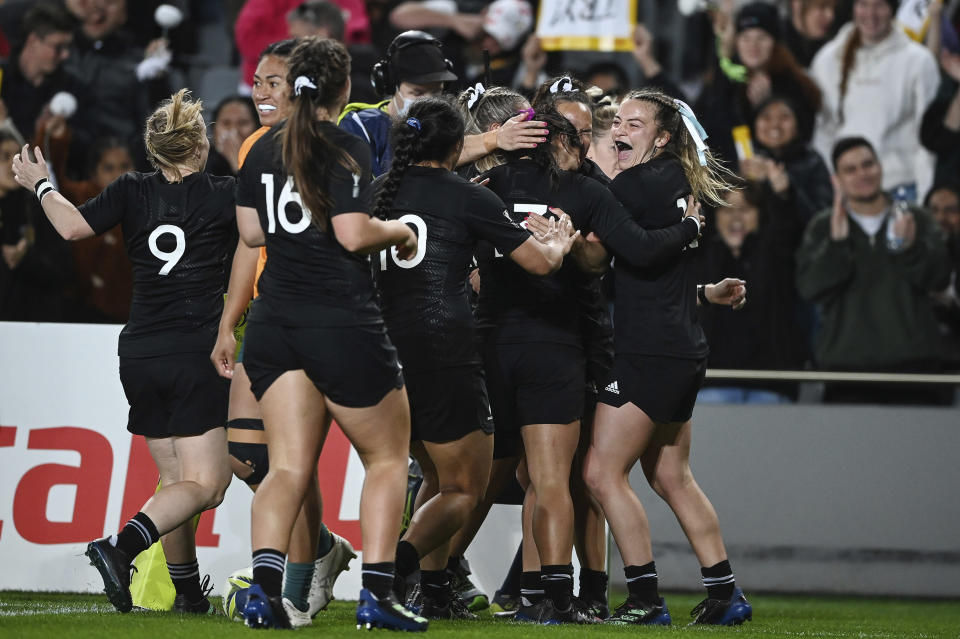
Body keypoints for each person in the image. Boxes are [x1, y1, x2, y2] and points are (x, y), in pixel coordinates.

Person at [476, 105, 705, 625]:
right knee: (570, 476)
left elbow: (619, 258)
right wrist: (688, 227)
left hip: (541, 343)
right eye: (582, 134)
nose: (592, 142)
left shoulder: (496, 185)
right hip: (568, 343)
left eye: (599, 131)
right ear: (552, 137)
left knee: (569, 476)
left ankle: (571, 592)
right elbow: (634, 253)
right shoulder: (598, 190)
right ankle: (558, 594)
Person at [12, 89, 235, 614]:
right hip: (193, 349)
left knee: (177, 483)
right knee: (209, 482)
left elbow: (69, 226)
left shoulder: (131, 189)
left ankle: (185, 594)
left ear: (153, 152)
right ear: (200, 147)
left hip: (138, 351)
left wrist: (42, 183)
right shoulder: (227, 193)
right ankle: (120, 548)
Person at [232, 36, 426, 631]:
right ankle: (375, 597)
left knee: (287, 467)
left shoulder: (263, 148)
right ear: (345, 88)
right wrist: (399, 231)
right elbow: (350, 234)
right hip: (339, 321)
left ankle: (265, 593)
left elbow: (251, 234)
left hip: (274, 324)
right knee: (388, 458)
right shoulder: (344, 146)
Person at [369, 96, 576, 619]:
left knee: (435, 478)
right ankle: (394, 570)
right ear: (458, 146)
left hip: (382, 354)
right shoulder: (468, 197)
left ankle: (434, 590)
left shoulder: (375, 193)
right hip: (445, 352)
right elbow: (539, 264)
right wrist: (560, 243)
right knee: (467, 485)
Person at [581, 88, 752, 627]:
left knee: (601, 472)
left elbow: (625, 251)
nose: (619, 130)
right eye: (618, 121)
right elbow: (656, 278)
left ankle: (644, 597)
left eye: (635, 123)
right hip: (682, 344)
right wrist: (706, 290)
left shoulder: (633, 184)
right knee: (671, 475)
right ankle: (725, 593)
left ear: (661, 137)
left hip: (648, 350)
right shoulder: (678, 183)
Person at [209, 37, 356, 628]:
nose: (262, 93)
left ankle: (301, 585)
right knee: (250, 456)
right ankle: (319, 551)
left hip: (338, 317)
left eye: (274, 82)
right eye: (259, 82)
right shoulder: (256, 147)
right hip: (272, 316)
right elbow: (252, 244)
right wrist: (228, 319)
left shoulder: (345, 142)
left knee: (362, 458)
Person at [796, 137, 952, 403]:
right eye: (851, 169)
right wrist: (836, 245)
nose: (862, 174)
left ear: (880, 167)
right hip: (846, 372)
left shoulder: (917, 218)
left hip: (916, 369)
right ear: (838, 180)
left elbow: (939, 279)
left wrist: (910, 248)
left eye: (868, 164)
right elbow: (809, 288)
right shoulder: (823, 226)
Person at [810, 0, 940, 201]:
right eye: (863, 5)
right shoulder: (827, 59)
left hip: (902, 189)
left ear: (893, 9)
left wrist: (925, 196)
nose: (871, 15)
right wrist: (834, 185)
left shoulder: (918, 62)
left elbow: (927, 141)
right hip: (845, 194)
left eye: (879, 5)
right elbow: (823, 133)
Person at [697, 182, 806, 403]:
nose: (736, 216)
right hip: (712, 383)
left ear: (760, 215)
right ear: (715, 217)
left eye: (745, 209)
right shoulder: (701, 258)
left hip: (770, 384)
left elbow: (787, 227)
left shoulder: (777, 256)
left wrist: (782, 192)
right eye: (727, 209)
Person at [698, 1, 822, 169]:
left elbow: (801, 139)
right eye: (745, 38)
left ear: (775, 43)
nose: (753, 46)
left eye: (762, 37)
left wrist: (768, 106)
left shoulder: (794, 84)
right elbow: (710, 128)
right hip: (729, 178)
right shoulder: (724, 80)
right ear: (735, 43)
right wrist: (722, 62)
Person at [744, 96, 833, 225]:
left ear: (798, 125)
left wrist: (787, 190)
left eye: (784, 117)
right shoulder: (745, 159)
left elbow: (822, 220)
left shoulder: (812, 162)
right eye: (766, 117)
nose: (775, 124)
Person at [205, 96, 258, 177]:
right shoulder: (200, 161)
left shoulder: (267, 162)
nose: (234, 131)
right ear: (213, 128)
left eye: (243, 123)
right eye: (226, 123)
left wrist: (238, 165)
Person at [783, 0, 838, 67]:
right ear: (797, 4)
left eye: (834, 8)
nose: (830, 16)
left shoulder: (834, 49)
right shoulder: (778, 45)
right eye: (822, 6)